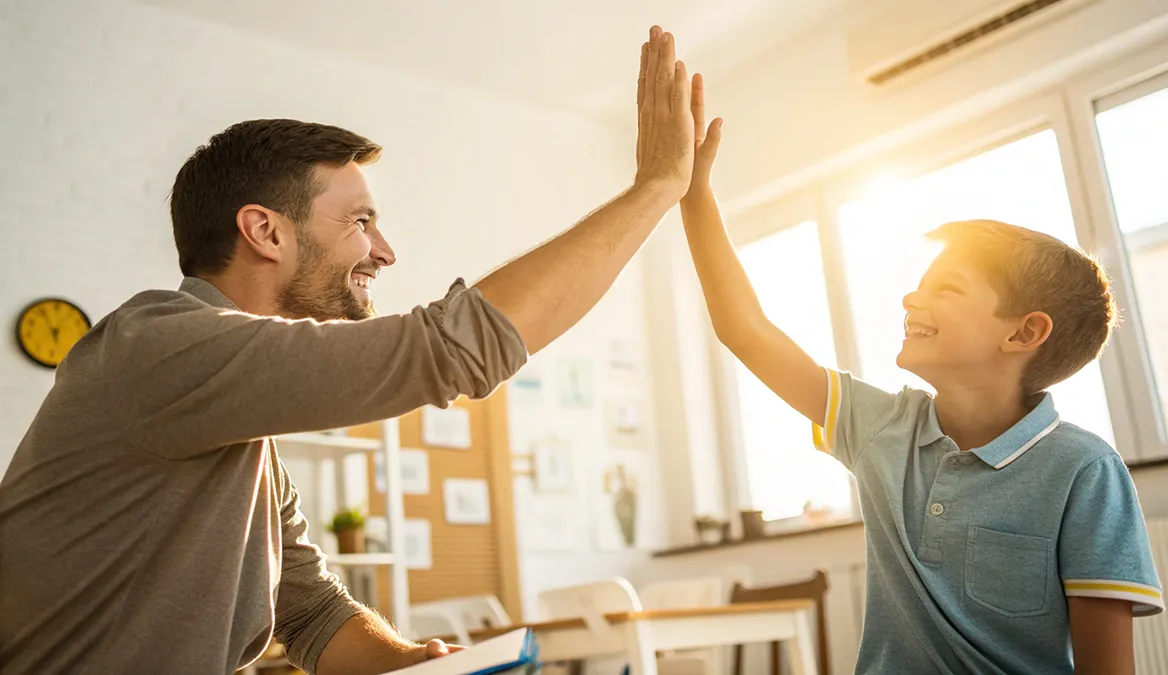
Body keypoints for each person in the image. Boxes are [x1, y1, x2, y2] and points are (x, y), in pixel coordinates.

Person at [0, 25, 697, 675]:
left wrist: (415, 661)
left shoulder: (227, 411)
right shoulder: (157, 348)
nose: (385, 251)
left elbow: (309, 608)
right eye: (361, 221)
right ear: (264, 232)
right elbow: (452, 348)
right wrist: (655, 188)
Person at [679, 76, 1163, 673]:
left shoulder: (1085, 472)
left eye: (947, 289)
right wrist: (692, 193)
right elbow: (745, 331)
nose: (911, 298)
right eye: (920, 284)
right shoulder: (880, 426)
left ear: (1022, 333)